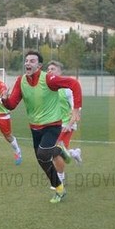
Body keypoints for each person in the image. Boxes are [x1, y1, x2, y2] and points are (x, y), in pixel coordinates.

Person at [2, 51, 82, 203]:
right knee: (42, 160)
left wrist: (76, 109)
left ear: (39, 66)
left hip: (52, 125)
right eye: (26, 61)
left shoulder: (49, 79)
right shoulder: (21, 81)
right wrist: (4, 99)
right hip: (35, 127)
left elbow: (74, 84)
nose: (28, 63)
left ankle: (58, 152)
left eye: (32, 61)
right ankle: (59, 188)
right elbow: (12, 104)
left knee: (43, 154)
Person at [46, 61, 83, 189]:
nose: (50, 71)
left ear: (60, 72)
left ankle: (59, 181)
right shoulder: (49, 88)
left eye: (53, 69)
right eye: (48, 69)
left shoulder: (67, 89)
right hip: (53, 124)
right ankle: (74, 153)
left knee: (55, 151)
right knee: (59, 151)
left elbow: (76, 108)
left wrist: (70, 123)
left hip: (66, 124)